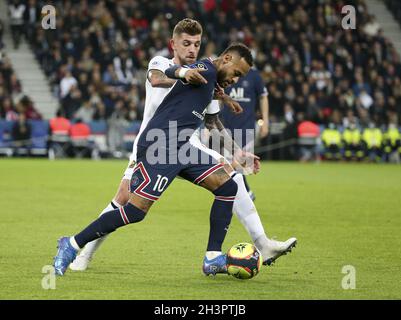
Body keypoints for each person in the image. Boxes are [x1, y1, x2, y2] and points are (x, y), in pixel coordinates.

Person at [68, 19, 296, 273]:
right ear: (173, 44)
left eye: (196, 44)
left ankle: (260, 243)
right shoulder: (161, 63)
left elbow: (212, 123)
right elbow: (156, 79)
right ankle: (82, 253)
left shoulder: (206, 80)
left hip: (187, 144)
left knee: (231, 177)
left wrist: (237, 152)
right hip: (154, 142)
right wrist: (186, 76)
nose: (191, 49)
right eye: (186, 44)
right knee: (125, 200)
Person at [219, 66, 269, 200]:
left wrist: (266, 121)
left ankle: (243, 194)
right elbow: (218, 97)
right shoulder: (226, 73)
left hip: (246, 127)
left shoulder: (254, 75)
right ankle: (245, 193)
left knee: (240, 165)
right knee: (229, 165)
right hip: (226, 127)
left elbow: (263, 97)